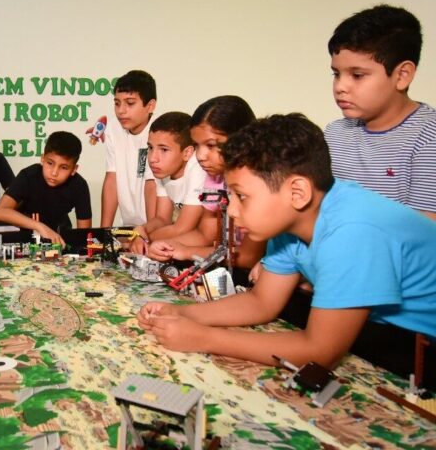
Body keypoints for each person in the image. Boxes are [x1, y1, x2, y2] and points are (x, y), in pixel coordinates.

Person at [138, 114, 436, 383]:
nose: (232, 211)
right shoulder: (292, 222)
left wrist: (202, 337)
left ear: (297, 192)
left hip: (420, 354)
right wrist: (183, 314)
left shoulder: (353, 231)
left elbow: (319, 352)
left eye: (242, 196)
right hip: (386, 341)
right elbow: (262, 302)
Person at [324, 4, 436, 221]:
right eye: (336, 74)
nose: (340, 87)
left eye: (357, 75)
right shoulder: (335, 134)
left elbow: (425, 233)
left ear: (402, 75)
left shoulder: (429, 138)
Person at [146, 96, 262, 268]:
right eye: (197, 145)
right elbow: (205, 235)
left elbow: (247, 257)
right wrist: (169, 247)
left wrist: (186, 251)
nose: (200, 156)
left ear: (242, 141)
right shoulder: (213, 179)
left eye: (211, 145)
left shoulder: (263, 181)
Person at [0, 131, 92, 246]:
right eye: (50, 163)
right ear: (42, 159)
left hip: (59, 238)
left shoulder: (79, 185)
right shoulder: (28, 176)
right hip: (24, 238)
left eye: (64, 167)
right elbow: (0, 211)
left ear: (74, 169)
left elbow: (84, 235)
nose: (54, 173)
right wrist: (40, 226)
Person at [130, 112, 207, 254]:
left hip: (209, 245)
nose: (153, 158)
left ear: (187, 153)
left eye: (164, 149)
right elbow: (162, 219)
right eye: (150, 148)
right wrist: (142, 230)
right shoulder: (164, 169)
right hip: (188, 240)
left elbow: (182, 228)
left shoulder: (198, 168)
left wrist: (144, 239)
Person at [100, 70, 157, 228]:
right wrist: (104, 233)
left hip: (155, 227)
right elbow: (112, 180)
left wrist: (150, 233)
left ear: (150, 106)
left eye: (130, 103)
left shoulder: (159, 132)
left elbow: (151, 185)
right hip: (129, 227)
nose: (121, 110)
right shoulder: (113, 127)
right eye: (117, 103)